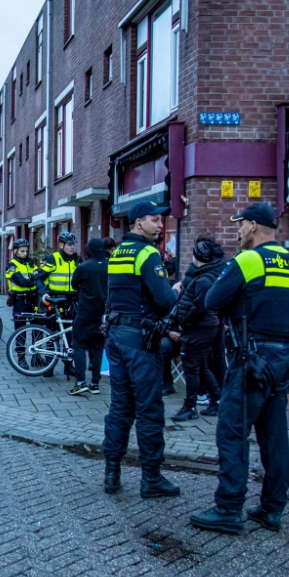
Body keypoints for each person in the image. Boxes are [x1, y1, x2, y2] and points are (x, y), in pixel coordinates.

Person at [190, 203, 289, 534]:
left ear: (253, 226)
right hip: (284, 360)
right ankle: (272, 509)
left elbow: (212, 301)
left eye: (241, 225)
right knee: (274, 435)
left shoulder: (249, 260)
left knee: (233, 430)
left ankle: (227, 509)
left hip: (251, 360)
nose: (239, 231)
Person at [102, 201, 179, 498]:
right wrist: (176, 289)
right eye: (154, 220)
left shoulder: (118, 253)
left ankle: (112, 473)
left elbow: (113, 296)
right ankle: (151, 479)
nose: (160, 225)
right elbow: (162, 299)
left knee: (120, 408)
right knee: (148, 409)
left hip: (117, 337)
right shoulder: (148, 253)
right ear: (138, 223)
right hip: (140, 341)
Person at [170, 240, 225, 422]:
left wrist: (185, 323)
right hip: (206, 327)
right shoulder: (208, 275)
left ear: (197, 256)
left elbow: (200, 307)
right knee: (201, 366)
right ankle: (217, 400)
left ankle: (190, 406)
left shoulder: (203, 280)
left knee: (191, 368)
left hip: (199, 329)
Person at [37, 231, 79, 378]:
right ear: (61, 245)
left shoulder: (77, 260)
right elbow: (39, 278)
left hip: (71, 301)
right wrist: (43, 294)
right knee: (52, 335)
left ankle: (69, 366)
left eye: (73, 245)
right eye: (69, 245)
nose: (72, 247)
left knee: (70, 335)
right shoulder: (53, 259)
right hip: (54, 300)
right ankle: (49, 366)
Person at [69, 238, 108, 395]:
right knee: (98, 348)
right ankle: (95, 383)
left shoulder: (83, 267)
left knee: (78, 345)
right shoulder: (110, 266)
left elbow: (73, 284)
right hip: (103, 313)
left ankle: (80, 382)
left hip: (85, 312)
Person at [5, 238, 37, 325]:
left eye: (26, 251)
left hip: (33, 299)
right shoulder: (12, 265)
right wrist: (33, 280)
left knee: (37, 328)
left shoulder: (31, 264)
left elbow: (39, 277)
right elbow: (21, 281)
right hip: (19, 300)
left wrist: (32, 278)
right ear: (15, 251)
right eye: (22, 251)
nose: (25, 253)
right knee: (20, 331)